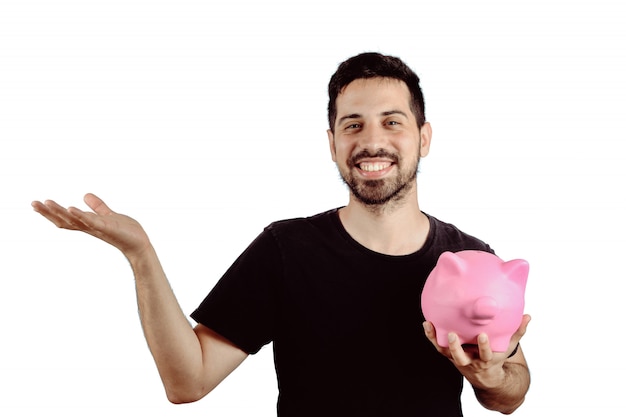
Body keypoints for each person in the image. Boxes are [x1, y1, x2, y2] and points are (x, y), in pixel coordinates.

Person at [32, 52, 530, 416]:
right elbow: (187, 382)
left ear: (423, 137)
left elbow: (512, 392)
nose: (372, 140)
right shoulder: (287, 251)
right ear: (332, 143)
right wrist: (140, 255)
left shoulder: (470, 257)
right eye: (352, 125)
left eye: (392, 122)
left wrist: (492, 378)